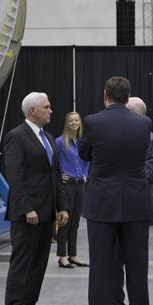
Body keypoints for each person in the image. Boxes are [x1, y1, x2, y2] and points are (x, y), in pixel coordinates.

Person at [80, 76, 153, 305]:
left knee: (101, 270)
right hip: (136, 203)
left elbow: (83, 153)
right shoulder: (143, 123)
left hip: (102, 205)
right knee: (138, 269)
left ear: (105, 95)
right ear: (128, 96)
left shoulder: (92, 122)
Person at [0, 92, 69, 305]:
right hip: (27, 213)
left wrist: (62, 207)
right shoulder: (16, 137)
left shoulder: (48, 138)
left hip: (47, 212)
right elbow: (15, 176)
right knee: (22, 263)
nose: (51, 111)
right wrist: (27, 207)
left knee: (39, 263)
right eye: (47, 107)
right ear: (32, 111)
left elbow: (56, 175)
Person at [109, 96, 153, 305]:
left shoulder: (149, 140)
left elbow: (148, 175)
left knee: (135, 267)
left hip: (136, 210)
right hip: (115, 210)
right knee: (114, 264)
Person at [55, 112, 88, 269]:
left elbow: (87, 160)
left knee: (75, 222)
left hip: (80, 186)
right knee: (65, 222)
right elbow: (54, 161)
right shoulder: (60, 142)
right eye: (71, 120)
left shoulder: (82, 142)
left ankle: (72, 255)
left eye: (76, 120)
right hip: (67, 186)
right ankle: (62, 257)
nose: (74, 123)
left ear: (80, 123)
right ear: (67, 123)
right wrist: (59, 174)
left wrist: (85, 175)